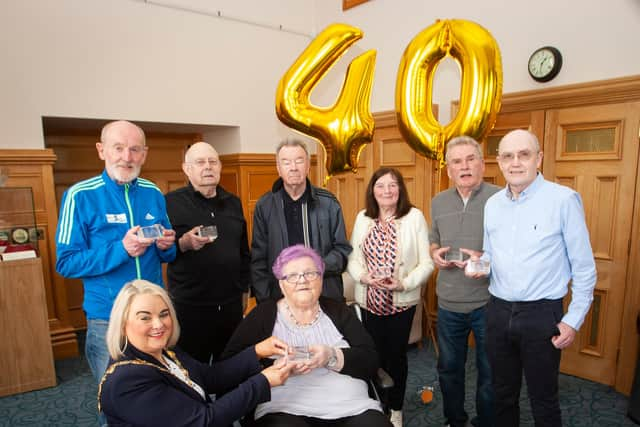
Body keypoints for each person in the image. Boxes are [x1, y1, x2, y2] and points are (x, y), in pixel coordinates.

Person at [469, 129, 597, 427]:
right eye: (507, 156)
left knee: (544, 399)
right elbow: (490, 255)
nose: (515, 163)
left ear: (538, 158)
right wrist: (479, 264)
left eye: (524, 154)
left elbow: (584, 268)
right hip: (498, 311)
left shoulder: (563, 200)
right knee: (502, 395)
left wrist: (572, 320)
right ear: (499, 162)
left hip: (542, 315)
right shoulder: (493, 205)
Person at [55, 120, 176, 385]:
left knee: (158, 394)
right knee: (115, 401)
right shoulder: (79, 196)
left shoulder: (153, 192)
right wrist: (121, 249)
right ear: (101, 150)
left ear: (144, 154)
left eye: (134, 149)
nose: (126, 157)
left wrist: (167, 246)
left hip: (153, 317)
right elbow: (66, 263)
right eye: (118, 148)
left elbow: (168, 253)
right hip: (107, 320)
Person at [223, 245, 393, 427]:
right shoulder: (262, 315)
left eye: (310, 274)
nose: (302, 281)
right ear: (281, 283)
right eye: (293, 276)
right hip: (283, 409)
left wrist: (332, 356)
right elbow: (229, 365)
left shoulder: (340, 311)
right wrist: (274, 366)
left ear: (321, 279)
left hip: (351, 406)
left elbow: (371, 359)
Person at [98, 279, 294, 426]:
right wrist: (263, 381)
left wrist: (257, 351)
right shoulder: (126, 381)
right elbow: (203, 421)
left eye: (164, 314)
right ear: (123, 325)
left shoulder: (165, 349)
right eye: (145, 318)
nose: (158, 325)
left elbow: (209, 377)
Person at [347, 167, 434, 427]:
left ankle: (395, 408)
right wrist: (363, 277)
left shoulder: (414, 217)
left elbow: (427, 263)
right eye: (381, 185)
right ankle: (376, 404)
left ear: (400, 190)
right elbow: (352, 258)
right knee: (373, 356)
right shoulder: (363, 217)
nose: (387, 190)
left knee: (395, 357)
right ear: (372, 190)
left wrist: (404, 283)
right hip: (368, 301)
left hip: (400, 303)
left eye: (392, 185)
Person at [429, 136, 500, 427]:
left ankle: (485, 422)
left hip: (488, 302)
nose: (465, 166)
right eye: (457, 161)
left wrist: (481, 261)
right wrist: (434, 253)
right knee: (449, 369)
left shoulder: (500, 198)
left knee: (490, 372)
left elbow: (510, 250)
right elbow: (434, 236)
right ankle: (454, 420)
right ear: (449, 170)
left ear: (482, 164)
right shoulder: (438, 201)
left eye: (471, 159)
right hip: (448, 303)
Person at [166, 141, 250, 364]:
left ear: (220, 166)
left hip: (230, 306)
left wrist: (244, 290)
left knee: (231, 366)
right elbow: (161, 250)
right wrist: (184, 243)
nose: (208, 167)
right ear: (187, 169)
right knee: (193, 371)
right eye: (200, 162)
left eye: (213, 162)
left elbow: (243, 251)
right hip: (191, 308)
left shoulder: (234, 203)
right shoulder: (170, 203)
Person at [251, 139, 351, 303]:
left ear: (307, 166)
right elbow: (258, 260)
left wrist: (314, 268)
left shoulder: (328, 203)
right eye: (286, 162)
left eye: (299, 161)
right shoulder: (265, 206)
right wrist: (266, 302)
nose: (293, 167)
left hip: (324, 295)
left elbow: (342, 251)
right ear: (278, 168)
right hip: (281, 298)